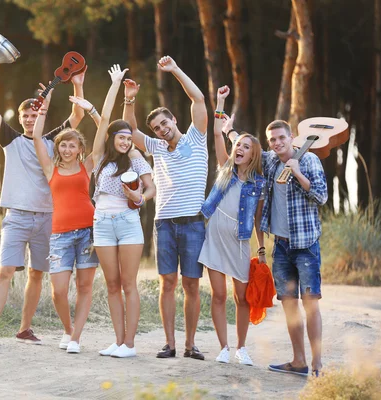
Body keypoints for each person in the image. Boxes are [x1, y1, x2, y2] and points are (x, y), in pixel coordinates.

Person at [0, 62, 87, 349]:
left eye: (34, 114)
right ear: (21, 118)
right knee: (6, 271)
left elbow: (78, 113)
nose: (29, 119)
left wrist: (77, 82)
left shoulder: (52, 140)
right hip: (18, 217)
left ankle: (24, 329)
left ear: (42, 115)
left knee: (37, 274)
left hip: (49, 218)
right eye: (25, 115)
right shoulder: (10, 139)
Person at [122, 55, 208, 361]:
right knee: (168, 283)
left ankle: (190, 344)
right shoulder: (156, 147)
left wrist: (174, 70)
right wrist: (129, 100)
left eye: (165, 123)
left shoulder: (197, 138)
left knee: (192, 284)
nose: (162, 130)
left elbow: (198, 98)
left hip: (194, 222)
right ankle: (170, 344)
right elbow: (129, 131)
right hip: (165, 223)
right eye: (157, 127)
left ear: (174, 120)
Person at [229, 119, 327, 376]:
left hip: (306, 246)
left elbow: (321, 196)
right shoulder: (271, 160)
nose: (277, 143)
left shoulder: (309, 161)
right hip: (281, 247)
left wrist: (297, 172)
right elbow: (245, 146)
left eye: (281, 138)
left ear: (291, 137)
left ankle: (317, 363)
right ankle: (299, 361)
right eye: (272, 140)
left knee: (310, 304)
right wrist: (227, 128)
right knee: (289, 305)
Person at [73, 64, 156, 358]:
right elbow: (105, 118)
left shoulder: (134, 158)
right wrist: (114, 85)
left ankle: (130, 344)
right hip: (102, 222)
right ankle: (118, 340)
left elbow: (151, 189)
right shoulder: (99, 157)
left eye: (127, 137)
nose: (124, 141)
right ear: (111, 139)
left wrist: (139, 197)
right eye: (119, 137)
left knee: (129, 284)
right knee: (111, 284)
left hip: (128, 221)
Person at [198, 86, 266, 365]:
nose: (239, 149)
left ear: (253, 155)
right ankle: (224, 348)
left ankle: (241, 348)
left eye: (245, 147)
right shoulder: (224, 167)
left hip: (239, 240)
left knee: (242, 297)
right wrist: (221, 102)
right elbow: (217, 133)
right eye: (238, 145)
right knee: (219, 294)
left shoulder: (258, 183)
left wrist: (261, 249)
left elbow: (258, 220)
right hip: (215, 236)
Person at [31, 82, 100, 354]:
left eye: (72, 146)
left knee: (85, 287)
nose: (67, 150)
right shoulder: (50, 170)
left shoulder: (88, 167)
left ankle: (76, 338)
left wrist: (87, 101)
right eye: (63, 146)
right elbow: (37, 139)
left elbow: (104, 134)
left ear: (79, 149)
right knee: (58, 291)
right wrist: (43, 106)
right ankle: (68, 329)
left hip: (88, 232)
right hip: (59, 234)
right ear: (58, 149)